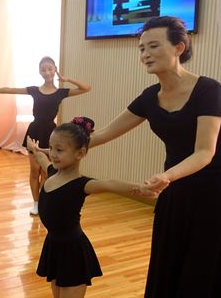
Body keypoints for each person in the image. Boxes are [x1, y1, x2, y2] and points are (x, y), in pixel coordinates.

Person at [89, 16, 221, 297]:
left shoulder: (209, 90)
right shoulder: (149, 97)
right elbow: (106, 133)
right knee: (171, 259)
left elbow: (204, 152)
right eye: (142, 48)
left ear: (179, 47)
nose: (145, 54)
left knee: (204, 265)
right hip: (176, 188)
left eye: (153, 46)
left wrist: (166, 176)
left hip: (216, 191)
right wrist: (66, 148)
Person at [27, 117, 161, 298]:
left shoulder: (81, 184)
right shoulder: (51, 172)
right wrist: (34, 149)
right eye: (51, 148)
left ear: (80, 153)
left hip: (72, 251)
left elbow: (110, 184)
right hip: (53, 246)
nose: (53, 154)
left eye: (59, 150)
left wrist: (140, 188)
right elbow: (41, 157)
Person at [0, 57, 91, 215]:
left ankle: (44, 201)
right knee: (34, 169)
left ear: (55, 69)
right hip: (35, 131)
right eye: (43, 69)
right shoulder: (34, 90)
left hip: (52, 134)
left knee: (46, 170)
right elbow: (10, 89)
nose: (47, 72)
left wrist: (67, 79)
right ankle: (36, 203)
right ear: (39, 71)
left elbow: (86, 88)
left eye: (50, 68)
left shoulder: (60, 92)